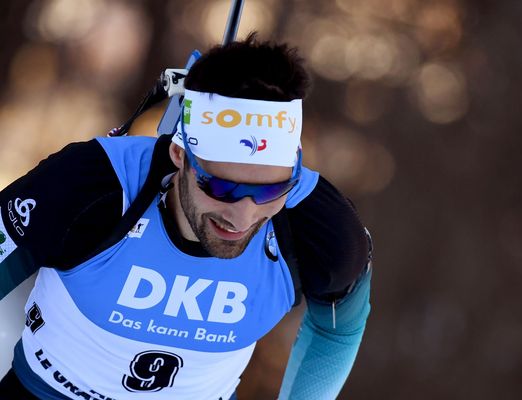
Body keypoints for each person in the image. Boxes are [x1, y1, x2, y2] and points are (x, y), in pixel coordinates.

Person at [0, 34, 372, 399]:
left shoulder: (321, 227)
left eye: (271, 191)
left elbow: (337, 331)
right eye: (222, 188)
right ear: (180, 155)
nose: (243, 214)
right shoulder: (91, 185)